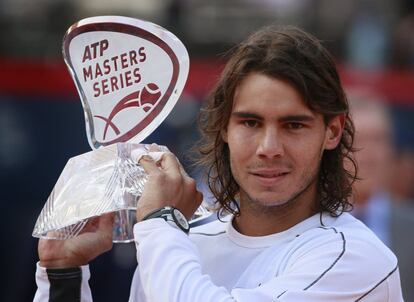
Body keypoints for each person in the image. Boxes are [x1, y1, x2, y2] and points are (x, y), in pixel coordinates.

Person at [33, 25, 404, 301]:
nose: (269, 147)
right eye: (250, 122)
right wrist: (62, 273)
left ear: (333, 132)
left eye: (293, 125)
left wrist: (160, 222)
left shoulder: (356, 259)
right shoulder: (176, 245)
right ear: (224, 128)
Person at [350, 92, 414, 301]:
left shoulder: (410, 226)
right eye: (357, 140)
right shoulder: (306, 223)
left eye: (379, 140)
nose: (370, 154)